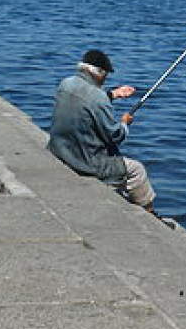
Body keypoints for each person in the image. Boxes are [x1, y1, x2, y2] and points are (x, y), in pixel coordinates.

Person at [47, 48, 157, 212]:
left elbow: (86, 102)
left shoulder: (66, 83)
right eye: (106, 75)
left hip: (60, 150)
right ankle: (150, 215)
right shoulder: (98, 97)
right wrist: (125, 123)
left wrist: (113, 94)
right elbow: (115, 135)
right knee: (137, 170)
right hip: (85, 161)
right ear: (98, 72)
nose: (106, 79)